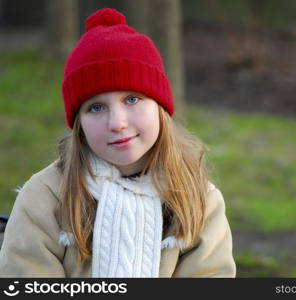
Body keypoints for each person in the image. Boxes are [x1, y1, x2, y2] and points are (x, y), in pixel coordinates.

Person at [0, 8, 236, 278]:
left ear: (159, 106)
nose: (117, 122)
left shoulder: (199, 199)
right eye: (97, 108)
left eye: (132, 99)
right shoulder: (45, 197)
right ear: (80, 125)